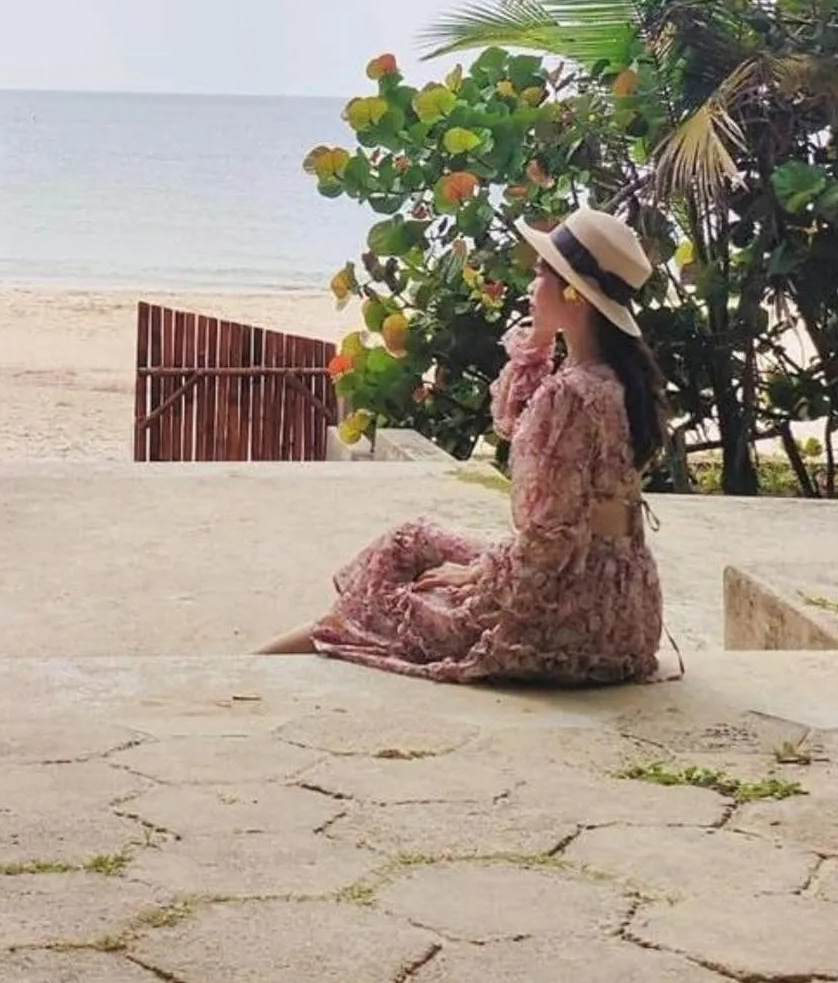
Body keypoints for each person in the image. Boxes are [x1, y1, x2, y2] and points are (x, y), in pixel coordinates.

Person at [259, 207, 669, 683]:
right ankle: (305, 639)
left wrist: (482, 579)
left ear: (574, 292)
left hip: (563, 620)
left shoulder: (570, 396)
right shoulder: (618, 380)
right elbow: (515, 426)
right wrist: (539, 339)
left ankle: (274, 655)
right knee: (413, 540)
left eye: (540, 276)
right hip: (625, 617)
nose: (531, 288)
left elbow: (549, 537)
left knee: (400, 566)